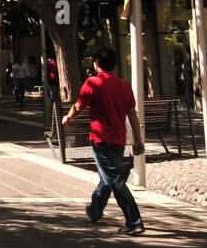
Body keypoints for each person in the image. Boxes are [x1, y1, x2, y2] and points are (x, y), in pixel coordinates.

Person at [61, 46, 145, 234]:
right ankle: (95, 210)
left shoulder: (93, 83)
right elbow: (132, 114)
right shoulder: (123, 85)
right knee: (107, 176)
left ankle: (134, 220)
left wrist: (68, 117)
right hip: (119, 139)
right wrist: (138, 139)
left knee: (114, 179)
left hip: (101, 138)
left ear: (96, 63)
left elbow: (79, 105)